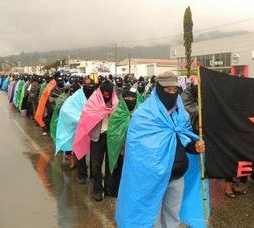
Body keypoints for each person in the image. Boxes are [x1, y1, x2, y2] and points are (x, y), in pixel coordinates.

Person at [116, 71, 205, 227]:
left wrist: (195, 148)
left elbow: (185, 142)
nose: (172, 93)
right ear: (157, 89)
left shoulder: (181, 114)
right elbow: (138, 153)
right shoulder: (143, 115)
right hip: (152, 179)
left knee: (173, 215)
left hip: (177, 176)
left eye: (174, 90)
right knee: (153, 215)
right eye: (167, 90)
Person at [73, 80, 119, 201]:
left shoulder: (116, 103)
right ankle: (98, 190)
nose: (107, 95)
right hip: (97, 137)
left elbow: (120, 119)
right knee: (96, 166)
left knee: (111, 165)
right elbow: (86, 116)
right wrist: (102, 112)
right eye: (104, 93)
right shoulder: (93, 101)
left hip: (111, 137)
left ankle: (109, 189)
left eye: (109, 93)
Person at [105, 88, 137, 197]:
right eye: (127, 98)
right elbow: (113, 133)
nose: (130, 100)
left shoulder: (140, 114)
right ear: (123, 99)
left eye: (132, 98)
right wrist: (121, 146)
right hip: (120, 151)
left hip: (134, 152)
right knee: (118, 172)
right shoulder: (117, 113)